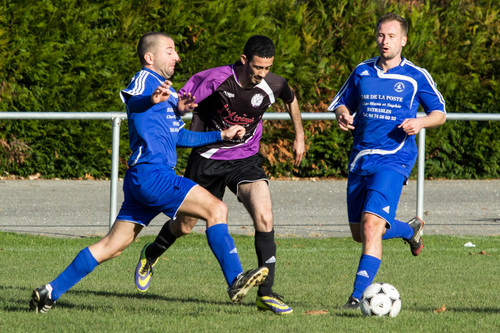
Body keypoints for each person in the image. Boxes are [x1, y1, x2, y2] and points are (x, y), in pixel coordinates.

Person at [29, 32, 268, 314]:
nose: (177, 56)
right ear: (150, 57)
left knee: (113, 246)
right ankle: (235, 279)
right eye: (170, 50)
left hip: (143, 180)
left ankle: (50, 291)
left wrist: (221, 134)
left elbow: (181, 138)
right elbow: (133, 103)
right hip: (153, 175)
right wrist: (150, 100)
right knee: (217, 209)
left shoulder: (170, 94)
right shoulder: (145, 81)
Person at [135, 35, 305, 315]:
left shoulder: (272, 83)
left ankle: (266, 294)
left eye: (267, 68)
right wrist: (182, 108)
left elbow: (291, 97)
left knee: (265, 216)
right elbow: (180, 103)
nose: (262, 75)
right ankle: (151, 254)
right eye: (257, 68)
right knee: (185, 225)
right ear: (243, 60)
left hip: (246, 159)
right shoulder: (214, 79)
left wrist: (299, 135)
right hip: (208, 157)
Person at [327, 12, 446, 309]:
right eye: (381, 35)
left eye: (391, 36)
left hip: (395, 158)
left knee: (371, 227)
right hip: (361, 158)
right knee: (361, 233)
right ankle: (409, 230)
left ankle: (357, 298)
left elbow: (439, 113)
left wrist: (420, 124)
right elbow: (341, 103)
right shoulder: (362, 72)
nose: (385, 41)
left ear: (403, 40)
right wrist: (342, 114)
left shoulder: (415, 75)